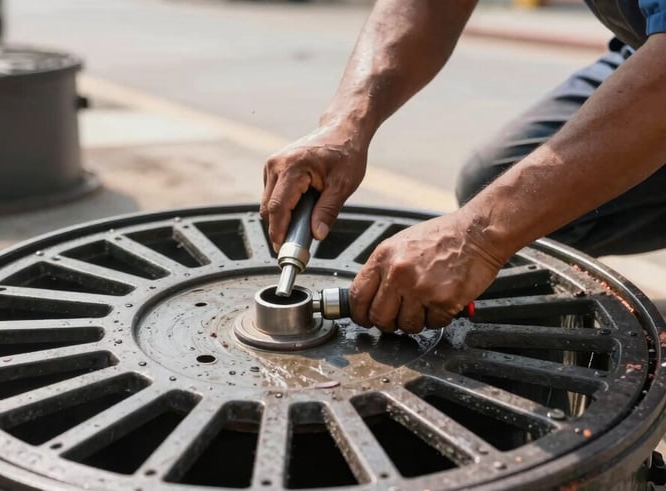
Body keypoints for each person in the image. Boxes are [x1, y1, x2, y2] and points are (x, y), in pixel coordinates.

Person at [260, 0, 666, 335]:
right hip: (646, 48)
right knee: (503, 187)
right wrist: (345, 124)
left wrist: (477, 235)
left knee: (503, 216)